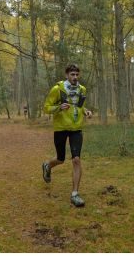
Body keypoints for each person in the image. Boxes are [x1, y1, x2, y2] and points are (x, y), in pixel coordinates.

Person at [41, 64, 93, 207]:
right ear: (66, 75)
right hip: (61, 128)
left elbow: (80, 107)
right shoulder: (57, 89)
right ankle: (47, 165)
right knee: (60, 158)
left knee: (76, 159)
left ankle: (75, 194)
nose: (75, 77)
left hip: (76, 128)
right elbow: (46, 107)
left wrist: (86, 112)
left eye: (77, 74)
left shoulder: (82, 90)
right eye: (72, 74)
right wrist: (58, 108)